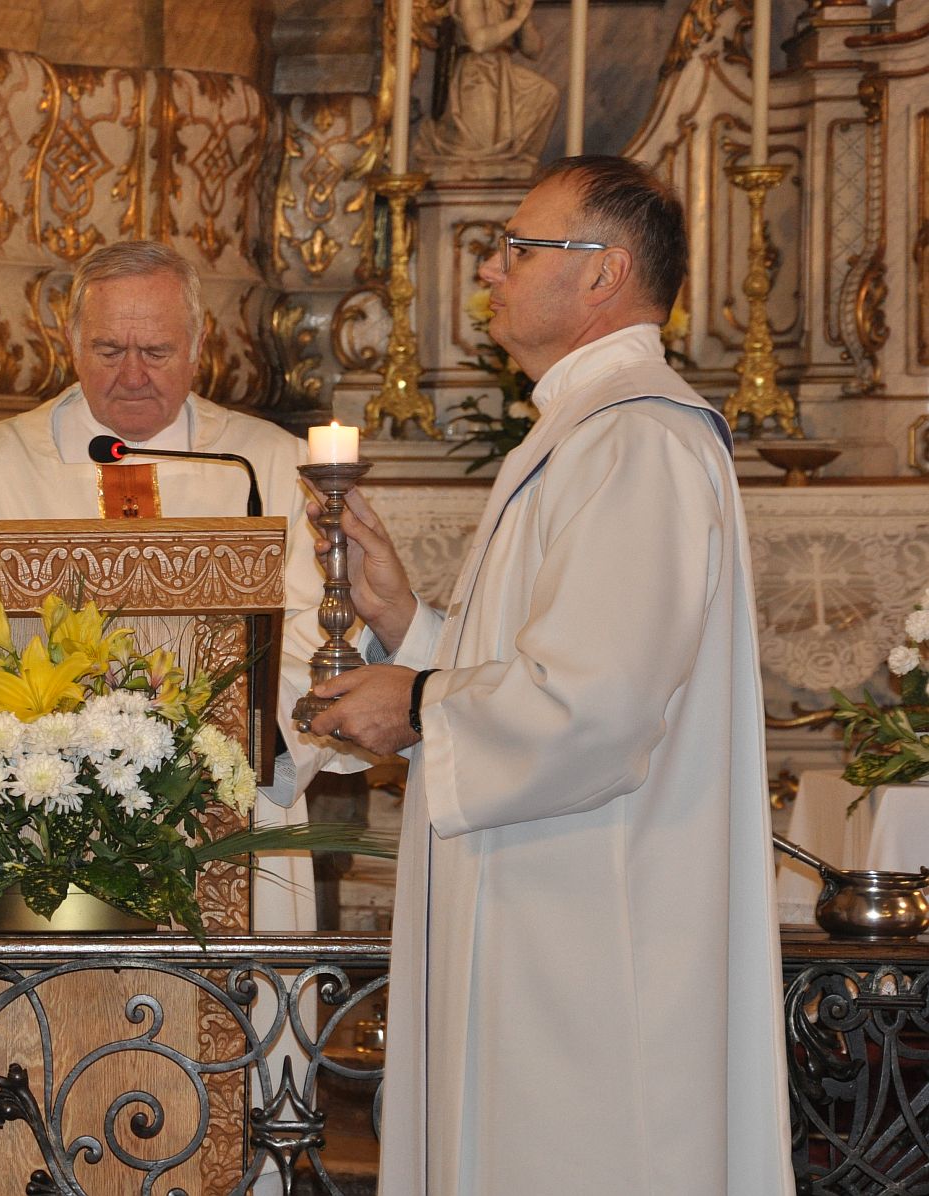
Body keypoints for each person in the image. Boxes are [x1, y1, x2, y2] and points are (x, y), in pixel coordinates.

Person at [310, 156, 792, 1193]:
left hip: (592, 936)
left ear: (603, 272)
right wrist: (410, 627)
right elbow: (549, 666)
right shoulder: (591, 426)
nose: (489, 270)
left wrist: (421, 703)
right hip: (547, 904)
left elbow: (597, 706)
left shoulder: (638, 439)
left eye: (517, 249)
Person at [0, 239, 332, 939]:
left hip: (222, 797)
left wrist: (235, 738)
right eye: (109, 350)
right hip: (41, 800)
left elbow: (321, 627)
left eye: (156, 351)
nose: (133, 376)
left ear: (199, 345)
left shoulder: (268, 463)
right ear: (69, 342)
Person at [416, 0, 558, 177]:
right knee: (479, 144)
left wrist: (524, 18)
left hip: (503, 69)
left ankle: (518, 157)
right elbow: (479, 42)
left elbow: (533, 50)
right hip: (476, 72)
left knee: (545, 93)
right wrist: (516, 19)